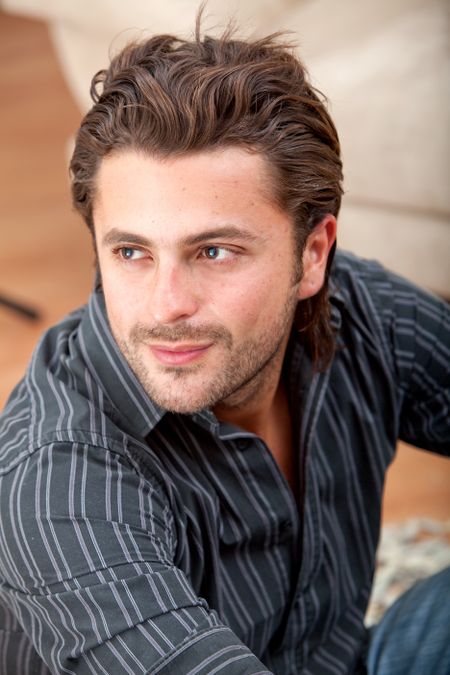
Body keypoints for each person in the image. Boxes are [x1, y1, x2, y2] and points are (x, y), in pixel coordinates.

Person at [0, 20, 449, 675]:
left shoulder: (360, 313)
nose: (165, 305)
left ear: (313, 254)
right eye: (132, 252)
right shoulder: (58, 487)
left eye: (214, 251)